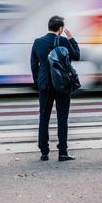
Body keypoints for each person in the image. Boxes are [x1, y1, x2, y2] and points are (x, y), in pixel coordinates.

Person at [30, 15, 80, 161]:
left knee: (44, 117)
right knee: (62, 117)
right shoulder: (64, 41)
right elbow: (76, 56)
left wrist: (38, 82)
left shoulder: (38, 42)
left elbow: (34, 65)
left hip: (45, 85)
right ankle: (62, 152)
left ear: (49, 27)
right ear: (60, 29)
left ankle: (44, 152)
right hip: (62, 85)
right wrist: (72, 39)